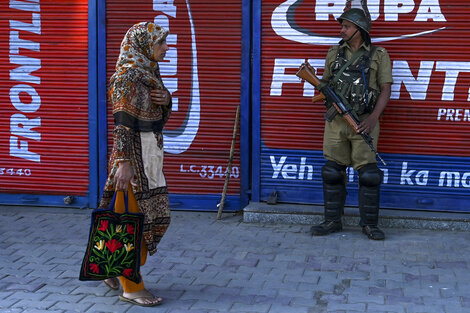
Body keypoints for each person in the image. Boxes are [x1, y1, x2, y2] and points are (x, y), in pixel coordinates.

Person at [97, 22, 172, 306]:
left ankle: (108, 269)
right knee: (131, 224)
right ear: (143, 45)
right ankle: (132, 287)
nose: (166, 47)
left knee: (134, 219)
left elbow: (157, 120)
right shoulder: (128, 77)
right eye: (161, 43)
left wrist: (166, 100)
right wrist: (124, 163)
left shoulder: (149, 74)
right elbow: (122, 126)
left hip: (150, 158)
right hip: (133, 161)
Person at [310, 8, 392, 240]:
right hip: (336, 123)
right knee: (332, 172)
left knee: (368, 175)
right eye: (342, 26)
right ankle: (332, 221)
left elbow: (386, 88)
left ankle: (369, 225)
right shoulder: (334, 53)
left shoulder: (379, 55)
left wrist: (373, 117)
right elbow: (323, 84)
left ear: (360, 30)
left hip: (365, 122)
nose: (342, 30)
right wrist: (327, 97)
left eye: (346, 26)